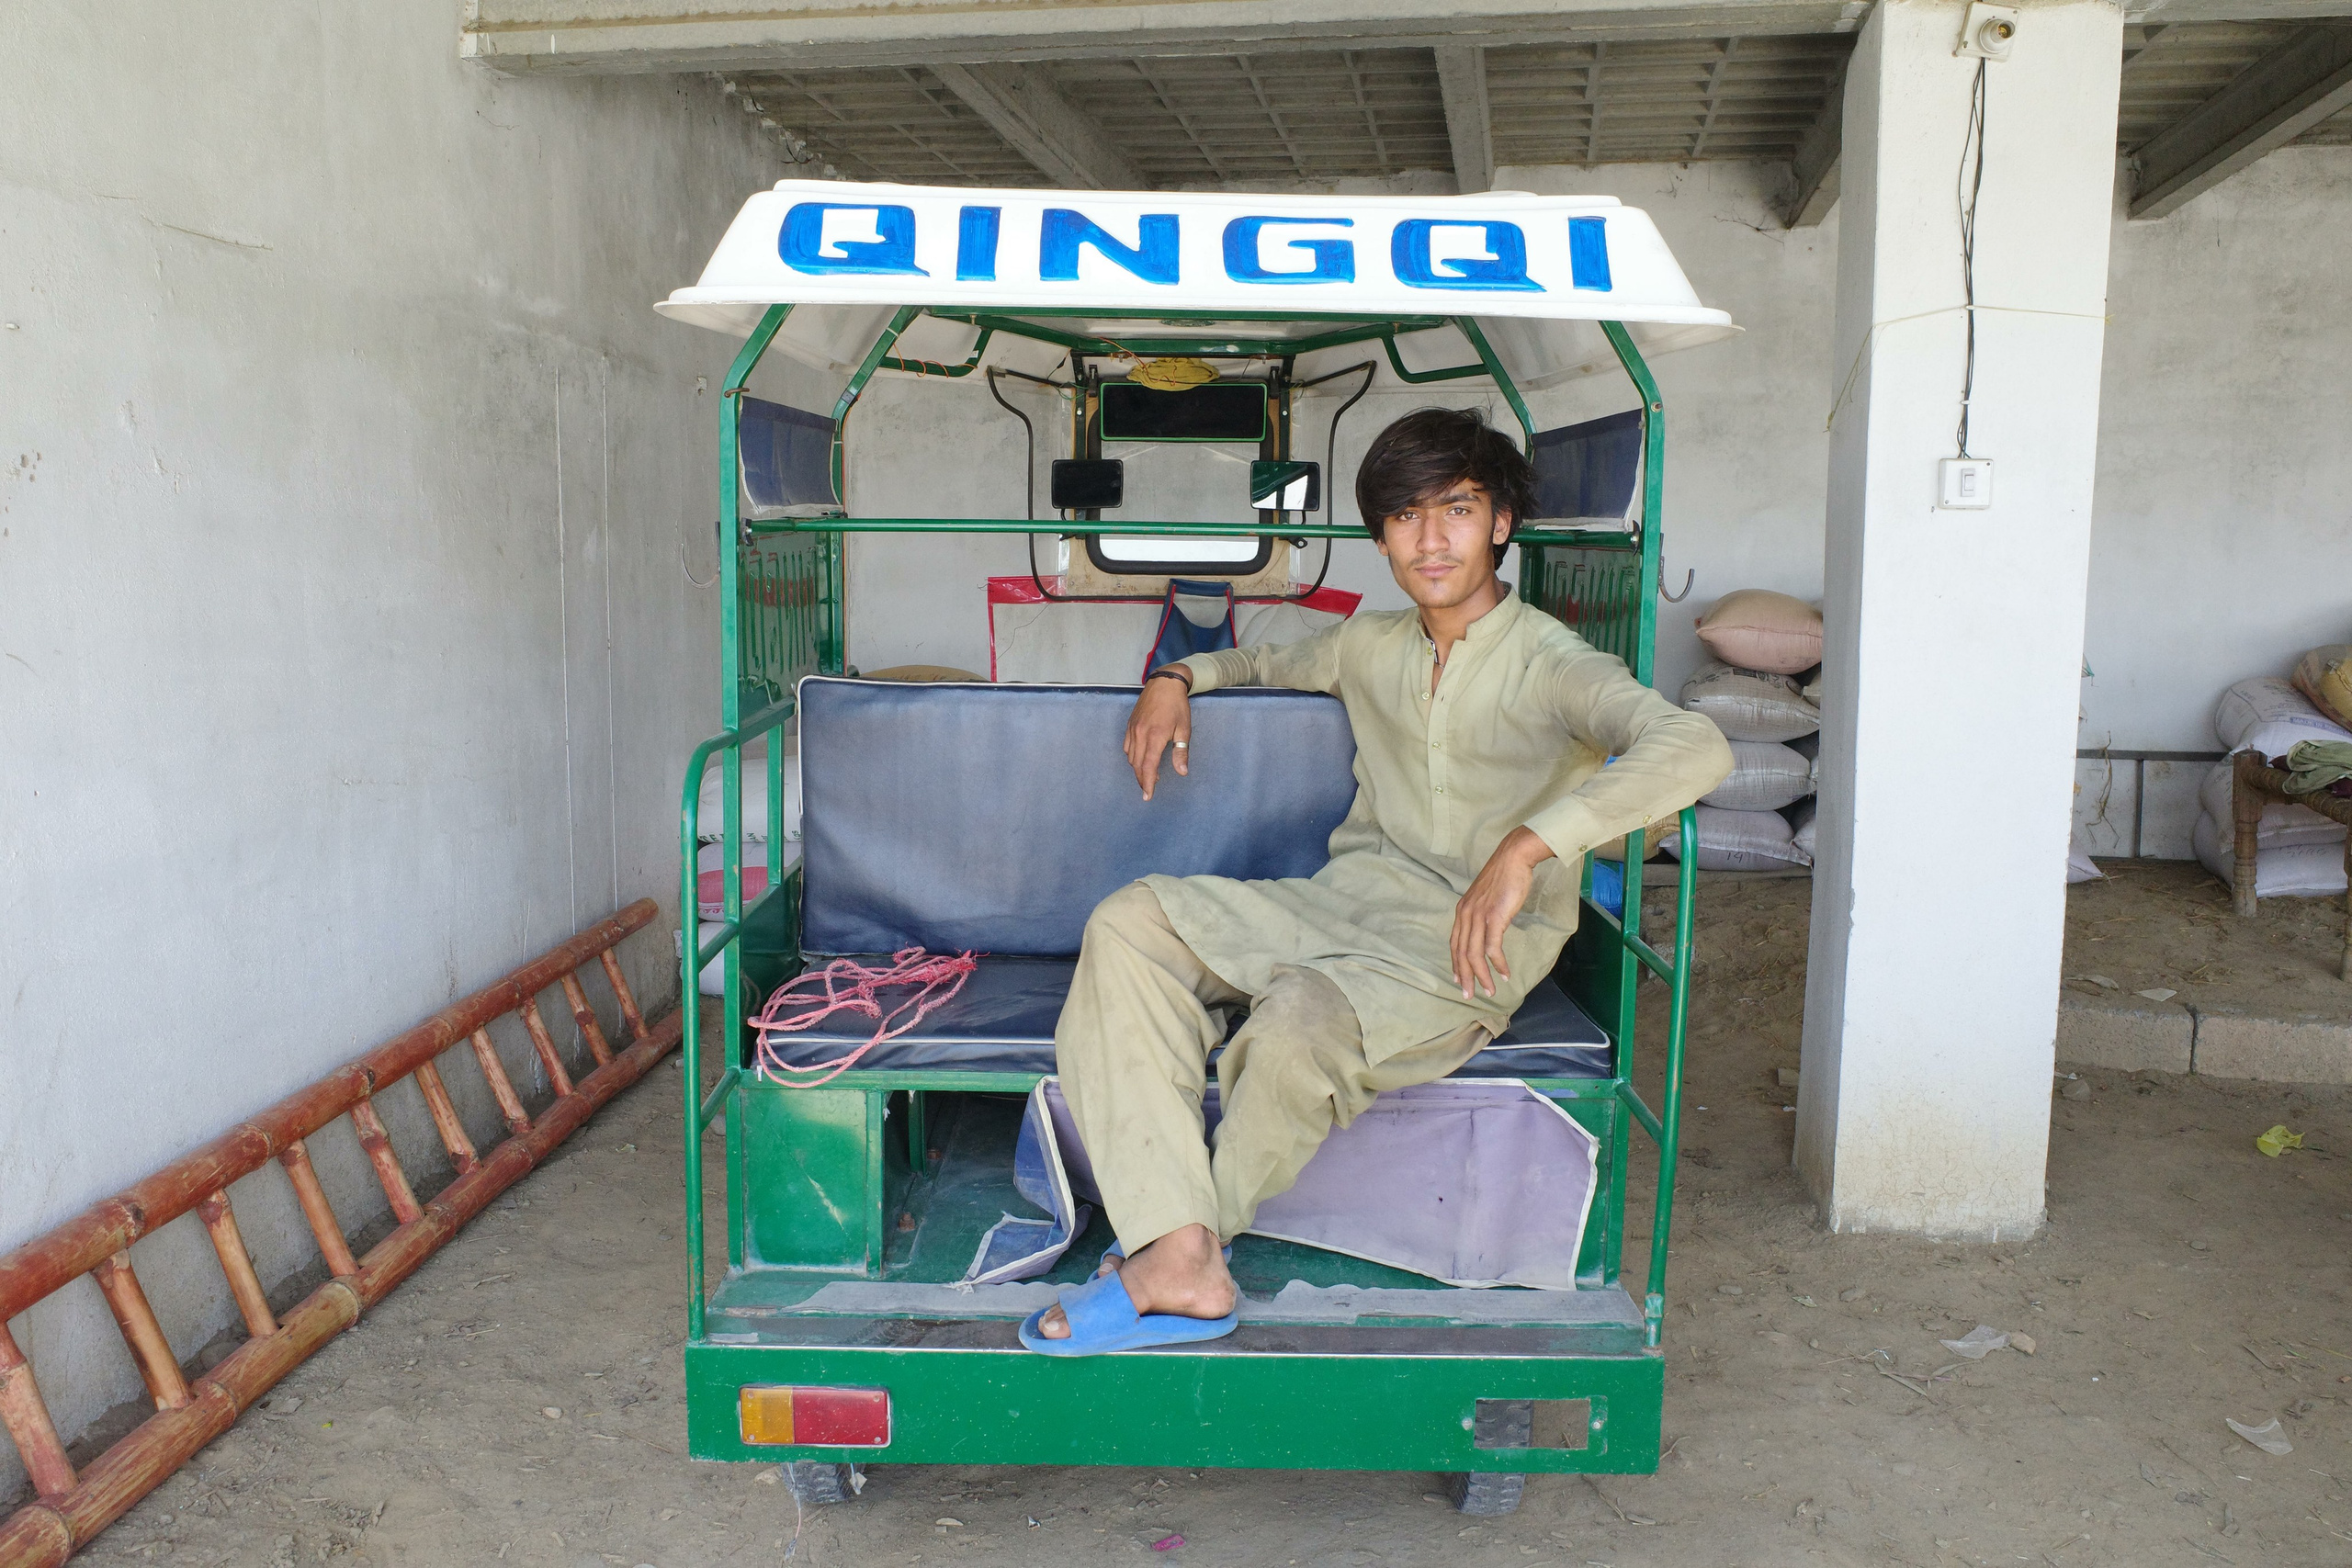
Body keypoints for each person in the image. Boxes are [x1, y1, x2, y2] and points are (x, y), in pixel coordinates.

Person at [1022, 407, 1733, 1354]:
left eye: (1458, 509)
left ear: (1501, 524)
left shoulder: (1555, 663)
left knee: (1295, 1028)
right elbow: (1262, 657)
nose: (1430, 538)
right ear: (1381, 535)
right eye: (1404, 515)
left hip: (1462, 951)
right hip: (1341, 902)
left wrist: (1527, 847)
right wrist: (1178, 677)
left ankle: (1175, 1251)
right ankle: (1179, 1249)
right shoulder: (1372, 644)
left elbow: (1695, 742)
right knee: (1130, 920)